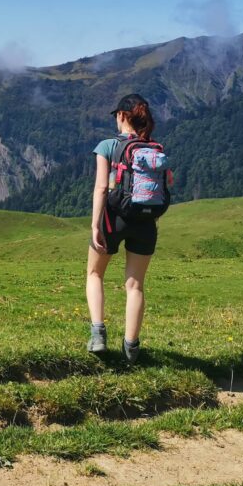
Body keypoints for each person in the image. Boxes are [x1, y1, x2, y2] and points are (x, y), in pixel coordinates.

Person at [86, 94, 159, 362]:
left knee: (95, 274)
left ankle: (98, 336)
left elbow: (102, 188)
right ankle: (131, 348)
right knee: (135, 285)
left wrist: (95, 225)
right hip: (145, 221)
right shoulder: (152, 148)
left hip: (113, 218)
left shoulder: (107, 145)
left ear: (122, 116)